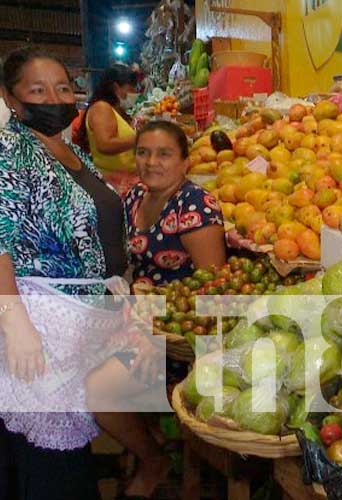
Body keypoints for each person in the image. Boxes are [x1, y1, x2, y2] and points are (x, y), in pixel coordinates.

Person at [0, 47, 168, 500]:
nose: (55, 97)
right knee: (52, 451)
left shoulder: (67, 150)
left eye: (62, 86)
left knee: (72, 437)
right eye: (38, 90)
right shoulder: (12, 153)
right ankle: (152, 459)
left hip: (92, 314)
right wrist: (15, 324)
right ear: (11, 100)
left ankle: (150, 458)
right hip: (44, 322)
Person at [125, 121, 226, 287]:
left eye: (164, 154)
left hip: (178, 310)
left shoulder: (195, 204)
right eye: (142, 152)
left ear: (185, 163)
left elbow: (213, 287)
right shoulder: (136, 195)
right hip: (139, 307)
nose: (150, 162)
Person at [76, 63, 139, 196]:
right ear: (116, 87)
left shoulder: (115, 110)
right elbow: (105, 144)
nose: (135, 92)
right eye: (131, 87)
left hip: (125, 180)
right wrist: (141, 137)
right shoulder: (101, 108)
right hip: (114, 183)